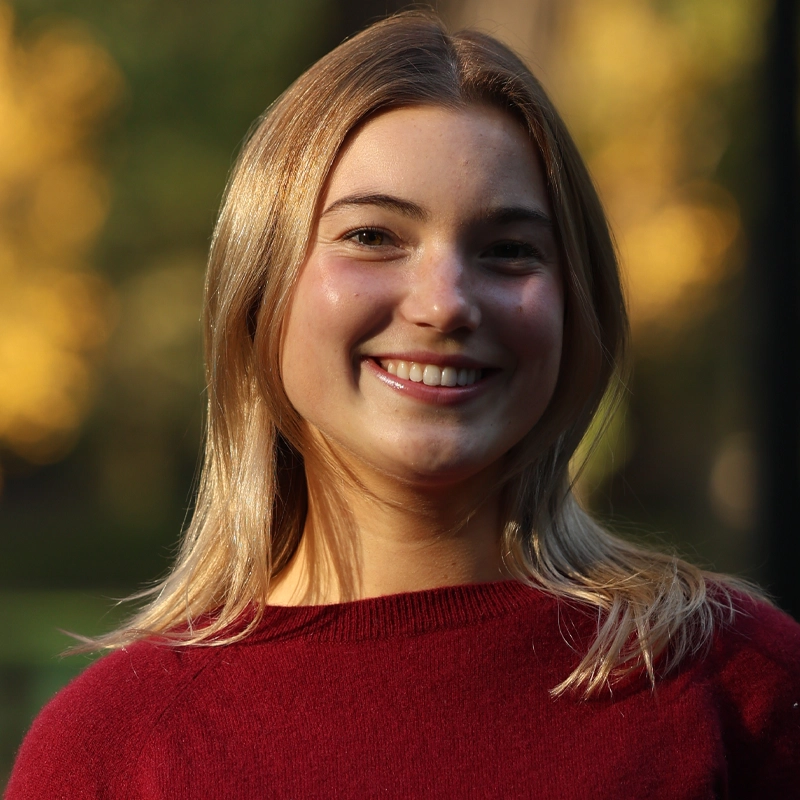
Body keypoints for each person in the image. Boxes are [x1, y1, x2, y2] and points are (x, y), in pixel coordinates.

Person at [7, 11, 800, 799]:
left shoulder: (736, 680)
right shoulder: (111, 747)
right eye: (374, 237)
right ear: (260, 291)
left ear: (576, 305)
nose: (445, 304)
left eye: (508, 251)